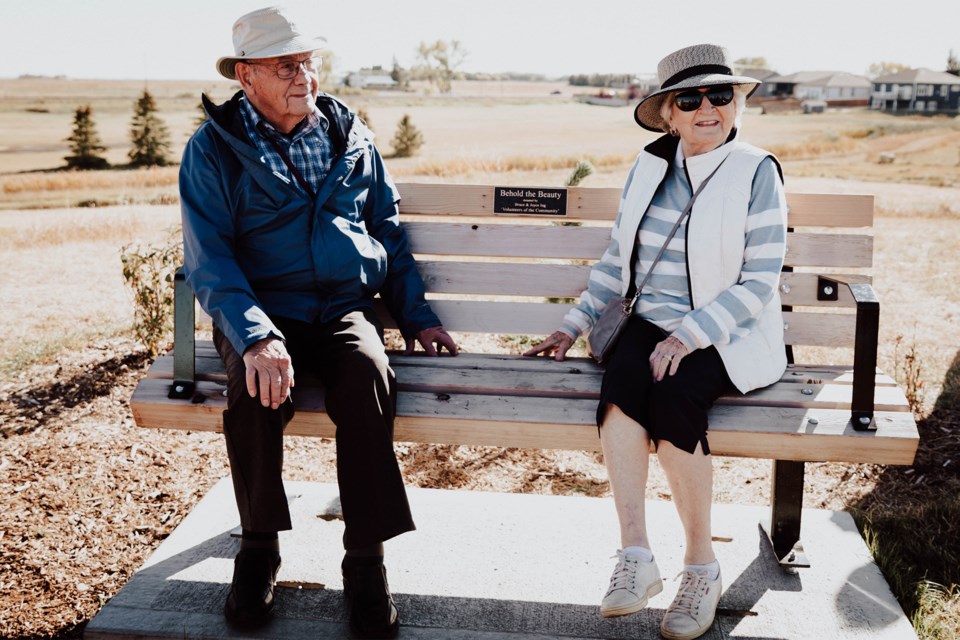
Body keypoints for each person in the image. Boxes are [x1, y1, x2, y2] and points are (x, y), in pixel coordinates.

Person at [180, 6, 457, 637]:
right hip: (261, 307)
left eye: (308, 61)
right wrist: (254, 335)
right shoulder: (213, 150)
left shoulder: (348, 134)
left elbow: (386, 228)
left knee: (366, 378)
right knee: (254, 392)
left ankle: (366, 562)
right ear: (246, 76)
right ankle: (257, 551)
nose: (303, 75)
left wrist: (417, 316)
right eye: (286, 65)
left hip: (340, 306)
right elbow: (210, 257)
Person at [524, 44, 787, 640]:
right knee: (620, 389)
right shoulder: (649, 166)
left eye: (721, 95)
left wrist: (690, 335)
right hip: (650, 323)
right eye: (689, 99)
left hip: (728, 331)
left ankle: (701, 566)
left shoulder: (756, 170)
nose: (707, 110)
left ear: (736, 103)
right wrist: (573, 323)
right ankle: (636, 557)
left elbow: (759, 282)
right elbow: (618, 262)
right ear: (667, 112)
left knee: (672, 399)